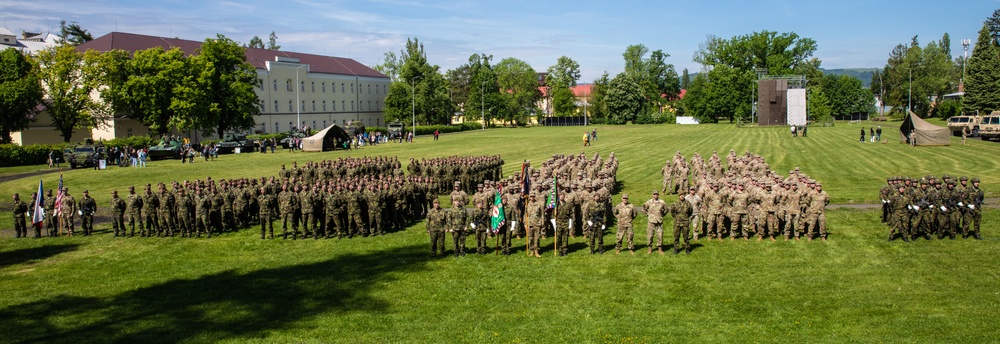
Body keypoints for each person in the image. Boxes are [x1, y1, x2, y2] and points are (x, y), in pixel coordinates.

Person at [526, 193, 544, 257]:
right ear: (529, 197)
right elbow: (525, 215)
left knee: (537, 238)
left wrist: (542, 222)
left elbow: (542, 214)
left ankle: (536, 251)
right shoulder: (527, 204)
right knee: (530, 238)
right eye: (531, 197)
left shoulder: (539, 204)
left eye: (533, 196)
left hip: (537, 223)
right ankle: (531, 250)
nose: (532, 198)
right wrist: (525, 223)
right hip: (530, 223)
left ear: (535, 197)